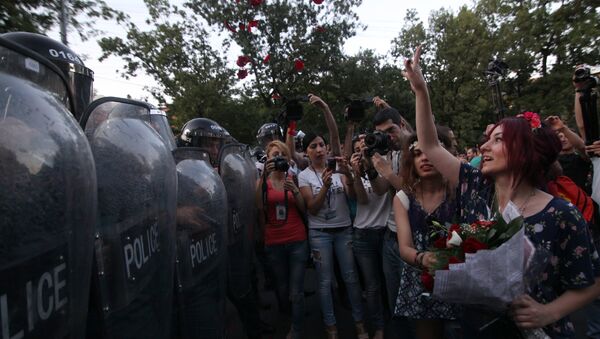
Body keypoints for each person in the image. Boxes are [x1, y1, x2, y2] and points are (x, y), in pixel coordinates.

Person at [405, 45, 600, 338]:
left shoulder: (561, 214)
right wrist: (421, 91)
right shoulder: (476, 188)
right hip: (477, 327)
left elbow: (592, 281)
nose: (483, 147)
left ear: (523, 149)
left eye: (496, 139)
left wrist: (548, 312)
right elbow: (431, 146)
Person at [298, 94, 368, 339]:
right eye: (313, 146)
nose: (319, 149)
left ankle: (359, 322)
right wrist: (325, 187)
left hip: (343, 230)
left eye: (321, 145)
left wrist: (348, 177)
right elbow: (312, 209)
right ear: (306, 152)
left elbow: (352, 195)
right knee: (325, 282)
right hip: (319, 234)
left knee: (350, 278)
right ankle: (331, 327)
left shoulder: (338, 168)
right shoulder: (304, 176)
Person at [393, 129, 458, 339]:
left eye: (430, 151)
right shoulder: (403, 198)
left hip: (458, 277)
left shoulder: (459, 192)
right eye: (418, 154)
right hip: (419, 279)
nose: (425, 158)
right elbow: (404, 247)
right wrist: (423, 258)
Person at [256, 140, 308, 339]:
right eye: (274, 154)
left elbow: (304, 210)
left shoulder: (294, 178)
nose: (278, 158)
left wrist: (294, 191)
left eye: (282, 154)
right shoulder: (263, 182)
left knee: (296, 290)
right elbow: (258, 208)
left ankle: (297, 328)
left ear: (288, 158)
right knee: (282, 286)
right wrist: (263, 176)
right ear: (267, 159)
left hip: (297, 239)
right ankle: (288, 314)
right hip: (274, 241)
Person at [349, 134, 388, 339]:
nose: (362, 152)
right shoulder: (354, 169)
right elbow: (362, 200)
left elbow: (381, 191)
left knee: (390, 282)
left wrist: (372, 166)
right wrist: (356, 173)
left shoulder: (385, 164)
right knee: (372, 286)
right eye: (358, 149)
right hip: (363, 234)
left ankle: (397, 324)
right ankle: (379, 327)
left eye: (366, 147)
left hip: (386, 232)